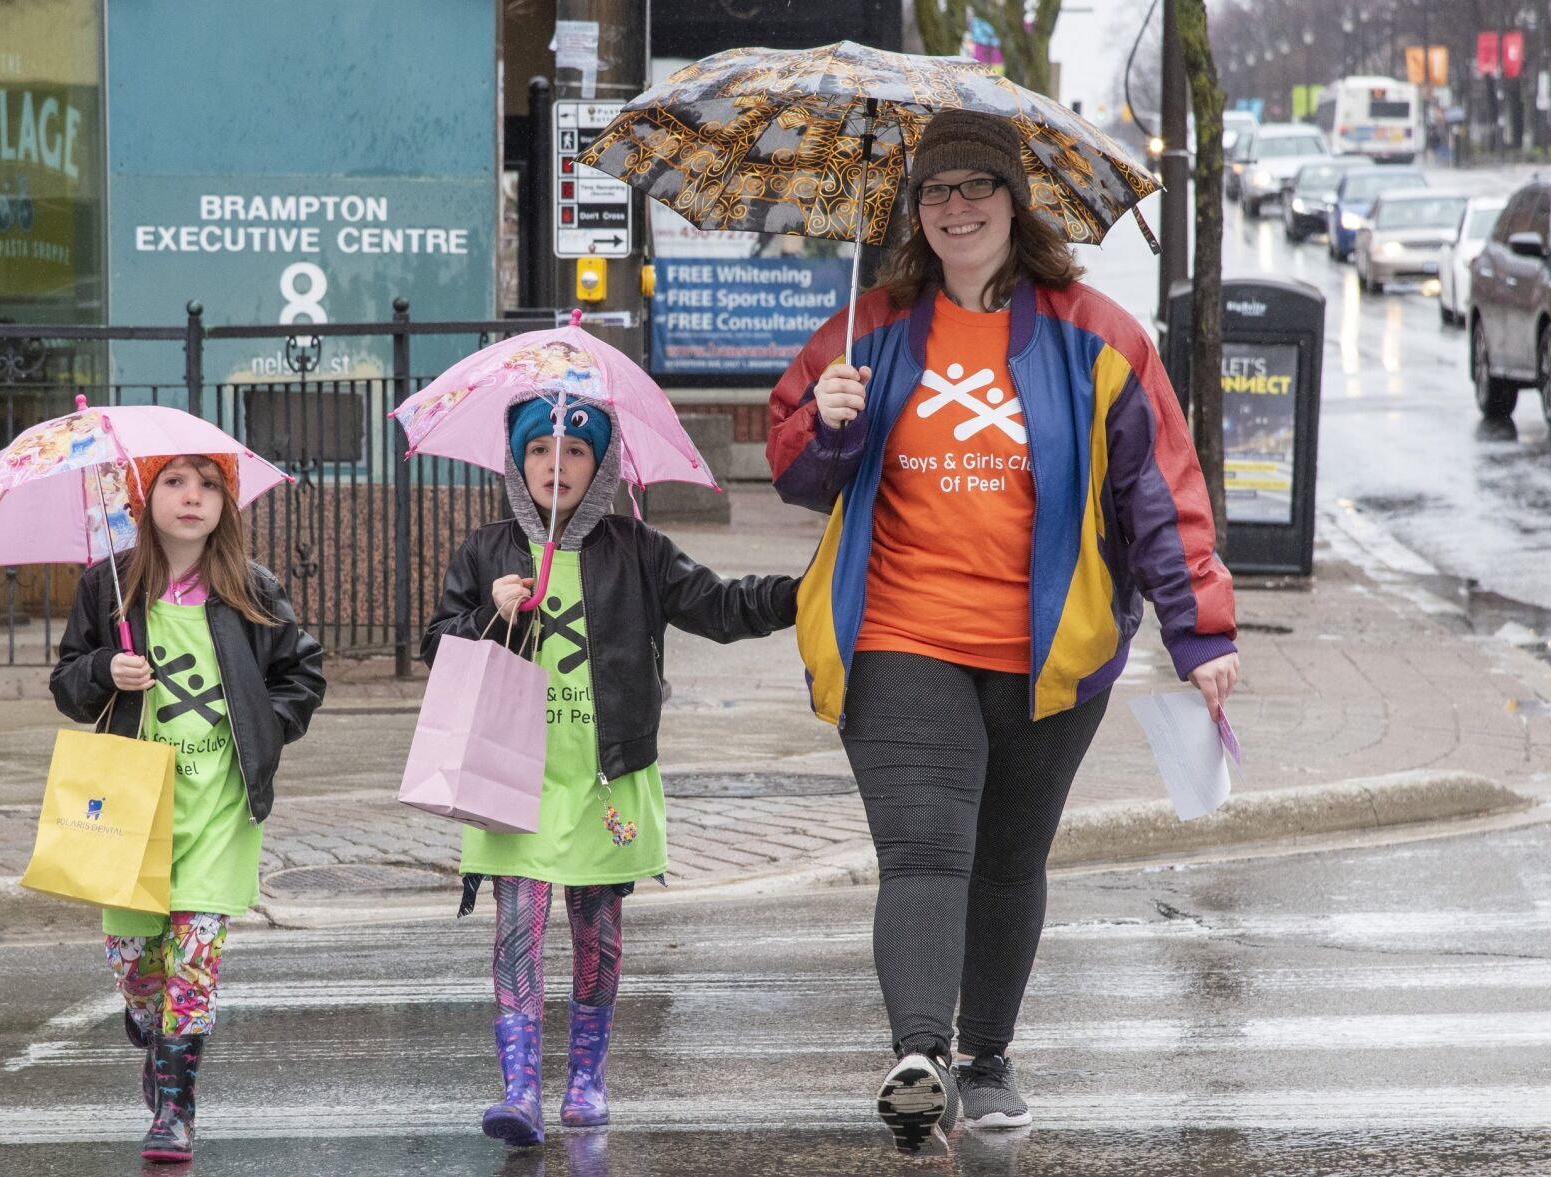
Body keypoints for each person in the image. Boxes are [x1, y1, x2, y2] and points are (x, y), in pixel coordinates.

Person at [767, 110, 1239, 1153]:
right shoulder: (868, 330)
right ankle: (918, 1055)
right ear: (912, 211)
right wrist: (825, 419)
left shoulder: (1096, 335)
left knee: (1009, 855)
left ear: (1013, 203)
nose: (956, 207)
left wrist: (1200, 633)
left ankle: (984, 1057)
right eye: (935, 192)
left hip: (1047, 648)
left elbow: (1159, 491)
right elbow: (798, 473)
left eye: (976, 186)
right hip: (896, 634)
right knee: (925, 848)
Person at [424, 396, 799, 1147]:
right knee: (517, 931)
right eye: (537, 450)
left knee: (596, 932)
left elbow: (721, 607)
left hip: (605, 777)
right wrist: (486, 617)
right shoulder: (488, 551)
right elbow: (438, 646)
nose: (554, 465)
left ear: (600, 467)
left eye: (573, 451)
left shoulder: (639, 548)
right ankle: (521, 1089)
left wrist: (802, 593)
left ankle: (587, 1078)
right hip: (513, 773)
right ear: (515, 460)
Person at [51, 453, 326, 1164]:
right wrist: (102, 670)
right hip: (132, 805)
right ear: (146, 498)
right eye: (175, 481)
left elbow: (303, 672)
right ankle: (149, 1021)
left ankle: (175, 1108)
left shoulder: (250, 590)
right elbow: (67, 684)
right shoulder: (107, 588)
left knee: (194, 958)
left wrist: (266, 724)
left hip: (218, 805)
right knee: (136, 960)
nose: (193, 497)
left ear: (227, 503)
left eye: (209, 484)